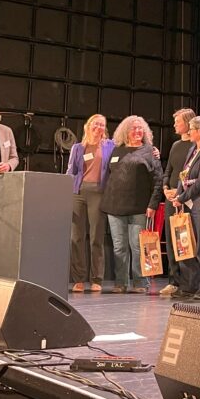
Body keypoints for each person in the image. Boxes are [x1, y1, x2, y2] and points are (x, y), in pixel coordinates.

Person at [100, 115, 163, 294]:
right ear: (125, 132)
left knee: (138, 246)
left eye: (140, 128)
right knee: (119, 247)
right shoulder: (116, 150)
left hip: (140, 207)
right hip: (115, 205)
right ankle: (120, 283)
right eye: (133, 128)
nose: (137, 131)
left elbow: (158, 180)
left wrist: (153, 204)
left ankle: (140, 283)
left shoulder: (150, 151)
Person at [65, 114, 114, 293]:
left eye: (102, 125)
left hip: (99, 193)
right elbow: (71, 171)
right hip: (78, 193)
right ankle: (78, 279)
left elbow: (129, 149)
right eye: (95, 124)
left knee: (96, 237)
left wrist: (152, 149)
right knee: (76, 237)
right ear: (88, 126)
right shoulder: (78, 148)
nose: (98, 127)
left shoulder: (111, 146)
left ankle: (96, 279)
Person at [172, 116, 200, 300]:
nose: (189, 132)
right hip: (190, 201)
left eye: (191, 128)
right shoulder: (193, 149)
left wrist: (181, 198)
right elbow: (185, 174)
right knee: (188, 245)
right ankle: (190, 284)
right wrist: (179, 195)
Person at [161, 107, 196, 298]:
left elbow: (191, 173)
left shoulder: (195, 145)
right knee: (171, 239)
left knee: (186, 239)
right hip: (171, 198)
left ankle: (188, 282)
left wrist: (179, 192)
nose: (175, 124)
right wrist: (166, 189)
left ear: (188, 123)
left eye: (178, 121)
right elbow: (168, 170)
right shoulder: (175, 145)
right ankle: (173, 281)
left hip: (187, 197)